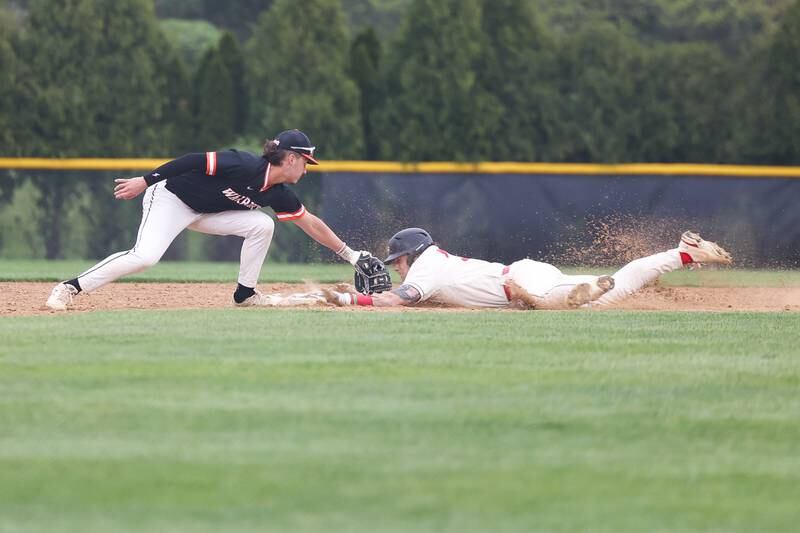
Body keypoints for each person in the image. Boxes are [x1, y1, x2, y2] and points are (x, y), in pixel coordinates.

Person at [46, 129, 384, 310]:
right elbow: (190, 160)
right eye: (306, 162)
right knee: (146, 256)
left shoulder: (280, 193)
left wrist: (351, 255)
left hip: (207, 213)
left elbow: (310, 223)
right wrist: (145, 181)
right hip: (170, 199)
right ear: (291, 158)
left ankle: (246, 294)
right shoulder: (242, 164)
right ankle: (69, 288)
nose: (307, 169)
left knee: (262, 225)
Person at [324, 227, 732, 309]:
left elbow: (403, 297)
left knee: (551, 301)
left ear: (410, 255)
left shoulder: (425, 270)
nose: (396, 268)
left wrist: (351, 299)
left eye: (398, 261)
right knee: (618, 287)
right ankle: (683, 253)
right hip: (523, 273)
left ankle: (580, 294)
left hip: (522, 282)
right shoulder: (433, 262)